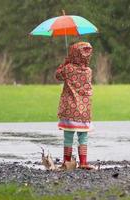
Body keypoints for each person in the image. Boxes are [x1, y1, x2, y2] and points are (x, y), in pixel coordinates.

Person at [55, 41, 94, 170]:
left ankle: (66, 162)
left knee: (68, 137)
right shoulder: (88, 71)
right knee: (83, 137)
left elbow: (58, 75)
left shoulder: (68, 68)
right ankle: (83, 162)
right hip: (84, 111)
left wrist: (65, 63)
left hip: (70, 109)